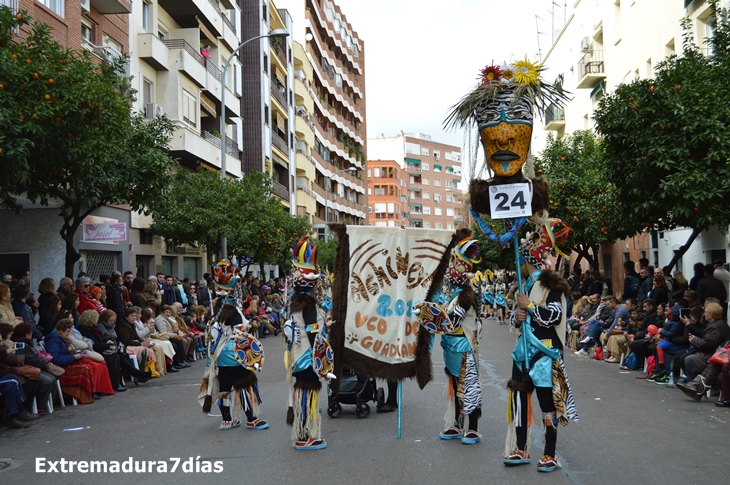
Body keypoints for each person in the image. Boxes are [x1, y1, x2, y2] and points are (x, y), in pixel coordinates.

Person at [502, 219, 578, 472]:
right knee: (520, 403)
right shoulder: (525, 287)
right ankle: (521, 448)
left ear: (529, 260)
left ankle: (549, 453)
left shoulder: (552, 287)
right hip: (523, 353)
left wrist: (530, 308)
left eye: (520, 261)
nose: (517, 266)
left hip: (545, 354)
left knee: (548, 406)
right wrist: (519, 315)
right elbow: (516, 320)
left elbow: (555, 316)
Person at [415, 237, 483, 444]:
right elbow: (444, 318)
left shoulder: (465, 298)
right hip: (452, 348)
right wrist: (423, 311)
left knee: (468, 386)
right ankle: (457, 423)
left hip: (464, 346)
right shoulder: (453, 296)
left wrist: (426, 314)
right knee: (455, 385)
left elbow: (451, 321)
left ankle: (472, 427)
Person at [283, 237, 335, 450]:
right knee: (308, 395)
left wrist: (326, 326)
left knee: (302, 394)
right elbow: (314, 337)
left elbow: (307, 330)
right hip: (307, 359)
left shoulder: (295, 303)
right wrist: (323, 362)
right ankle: (307, 436)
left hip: (298, 358)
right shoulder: (310, 307)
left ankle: (302, 434)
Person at [198, 285, 269, 432]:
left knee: (224, 387)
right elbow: (240, 333)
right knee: (243, 385)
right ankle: (251, 419)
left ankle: (227, 420)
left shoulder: (215, 312)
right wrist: (250, 326)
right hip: (235, 353)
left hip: (219, 355)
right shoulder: (234, 313)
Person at [45, 317, 115, 403]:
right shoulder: (53, 340)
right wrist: (74, 357)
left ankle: (93, 392)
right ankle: (87, 394)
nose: (69, 334)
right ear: (60, 330)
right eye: (67, 332)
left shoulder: (64, 338)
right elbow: (56, 359)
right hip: (60, 367)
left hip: (69, 361)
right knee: (85, 368)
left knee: (90, 365)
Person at [675, 302, 729, 397]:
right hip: (717, 353)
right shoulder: (720, 323)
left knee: (688, 360)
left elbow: (706, 344)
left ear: (711, 315)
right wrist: (695, 323)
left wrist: (694, 340)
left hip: (713, 354)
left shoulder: (714, 327)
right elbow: (704, 333)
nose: (704, 314)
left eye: (706, 313)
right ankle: (694, 385)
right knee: (686, 356)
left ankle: (694, 388)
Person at [10, 322, 57, 415]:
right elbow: (29, 360)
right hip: (28, 369)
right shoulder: (21, 345)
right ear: (26, 334)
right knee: (46, 381)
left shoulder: (27, 343)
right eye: (31, 332)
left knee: (52, 378)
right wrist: (43, 360)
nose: (32, 334)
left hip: (35, 366)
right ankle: (41, 406)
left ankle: (44, 404)